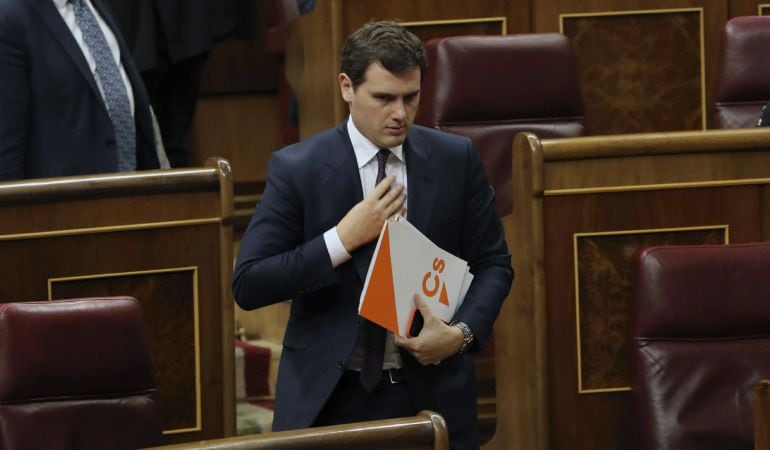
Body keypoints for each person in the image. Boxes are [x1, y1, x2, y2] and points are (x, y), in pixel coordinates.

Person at [232, 21, 513, 449]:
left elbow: (494, 263)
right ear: (347, 87)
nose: (400, 113)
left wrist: (462, 334)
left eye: (411, 97)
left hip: (431, 393)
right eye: (384, 98)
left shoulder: (455, 159)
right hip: (330, 396)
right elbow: (249, 282)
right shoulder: (299, 169)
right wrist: (341, 240)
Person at [0, 0, 166, 180]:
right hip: (64, 200)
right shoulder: (9, 18)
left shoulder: (94, 5)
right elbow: (7, 150)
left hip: (133, 189)